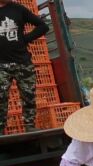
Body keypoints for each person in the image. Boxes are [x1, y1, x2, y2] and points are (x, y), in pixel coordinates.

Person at [0, 0, 49, 134]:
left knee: (28, 95)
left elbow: (43, 26)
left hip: (23, 62)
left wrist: (25, 39)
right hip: (1, 65)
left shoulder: (18, 9)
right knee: (1, 97)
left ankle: (30, 125)